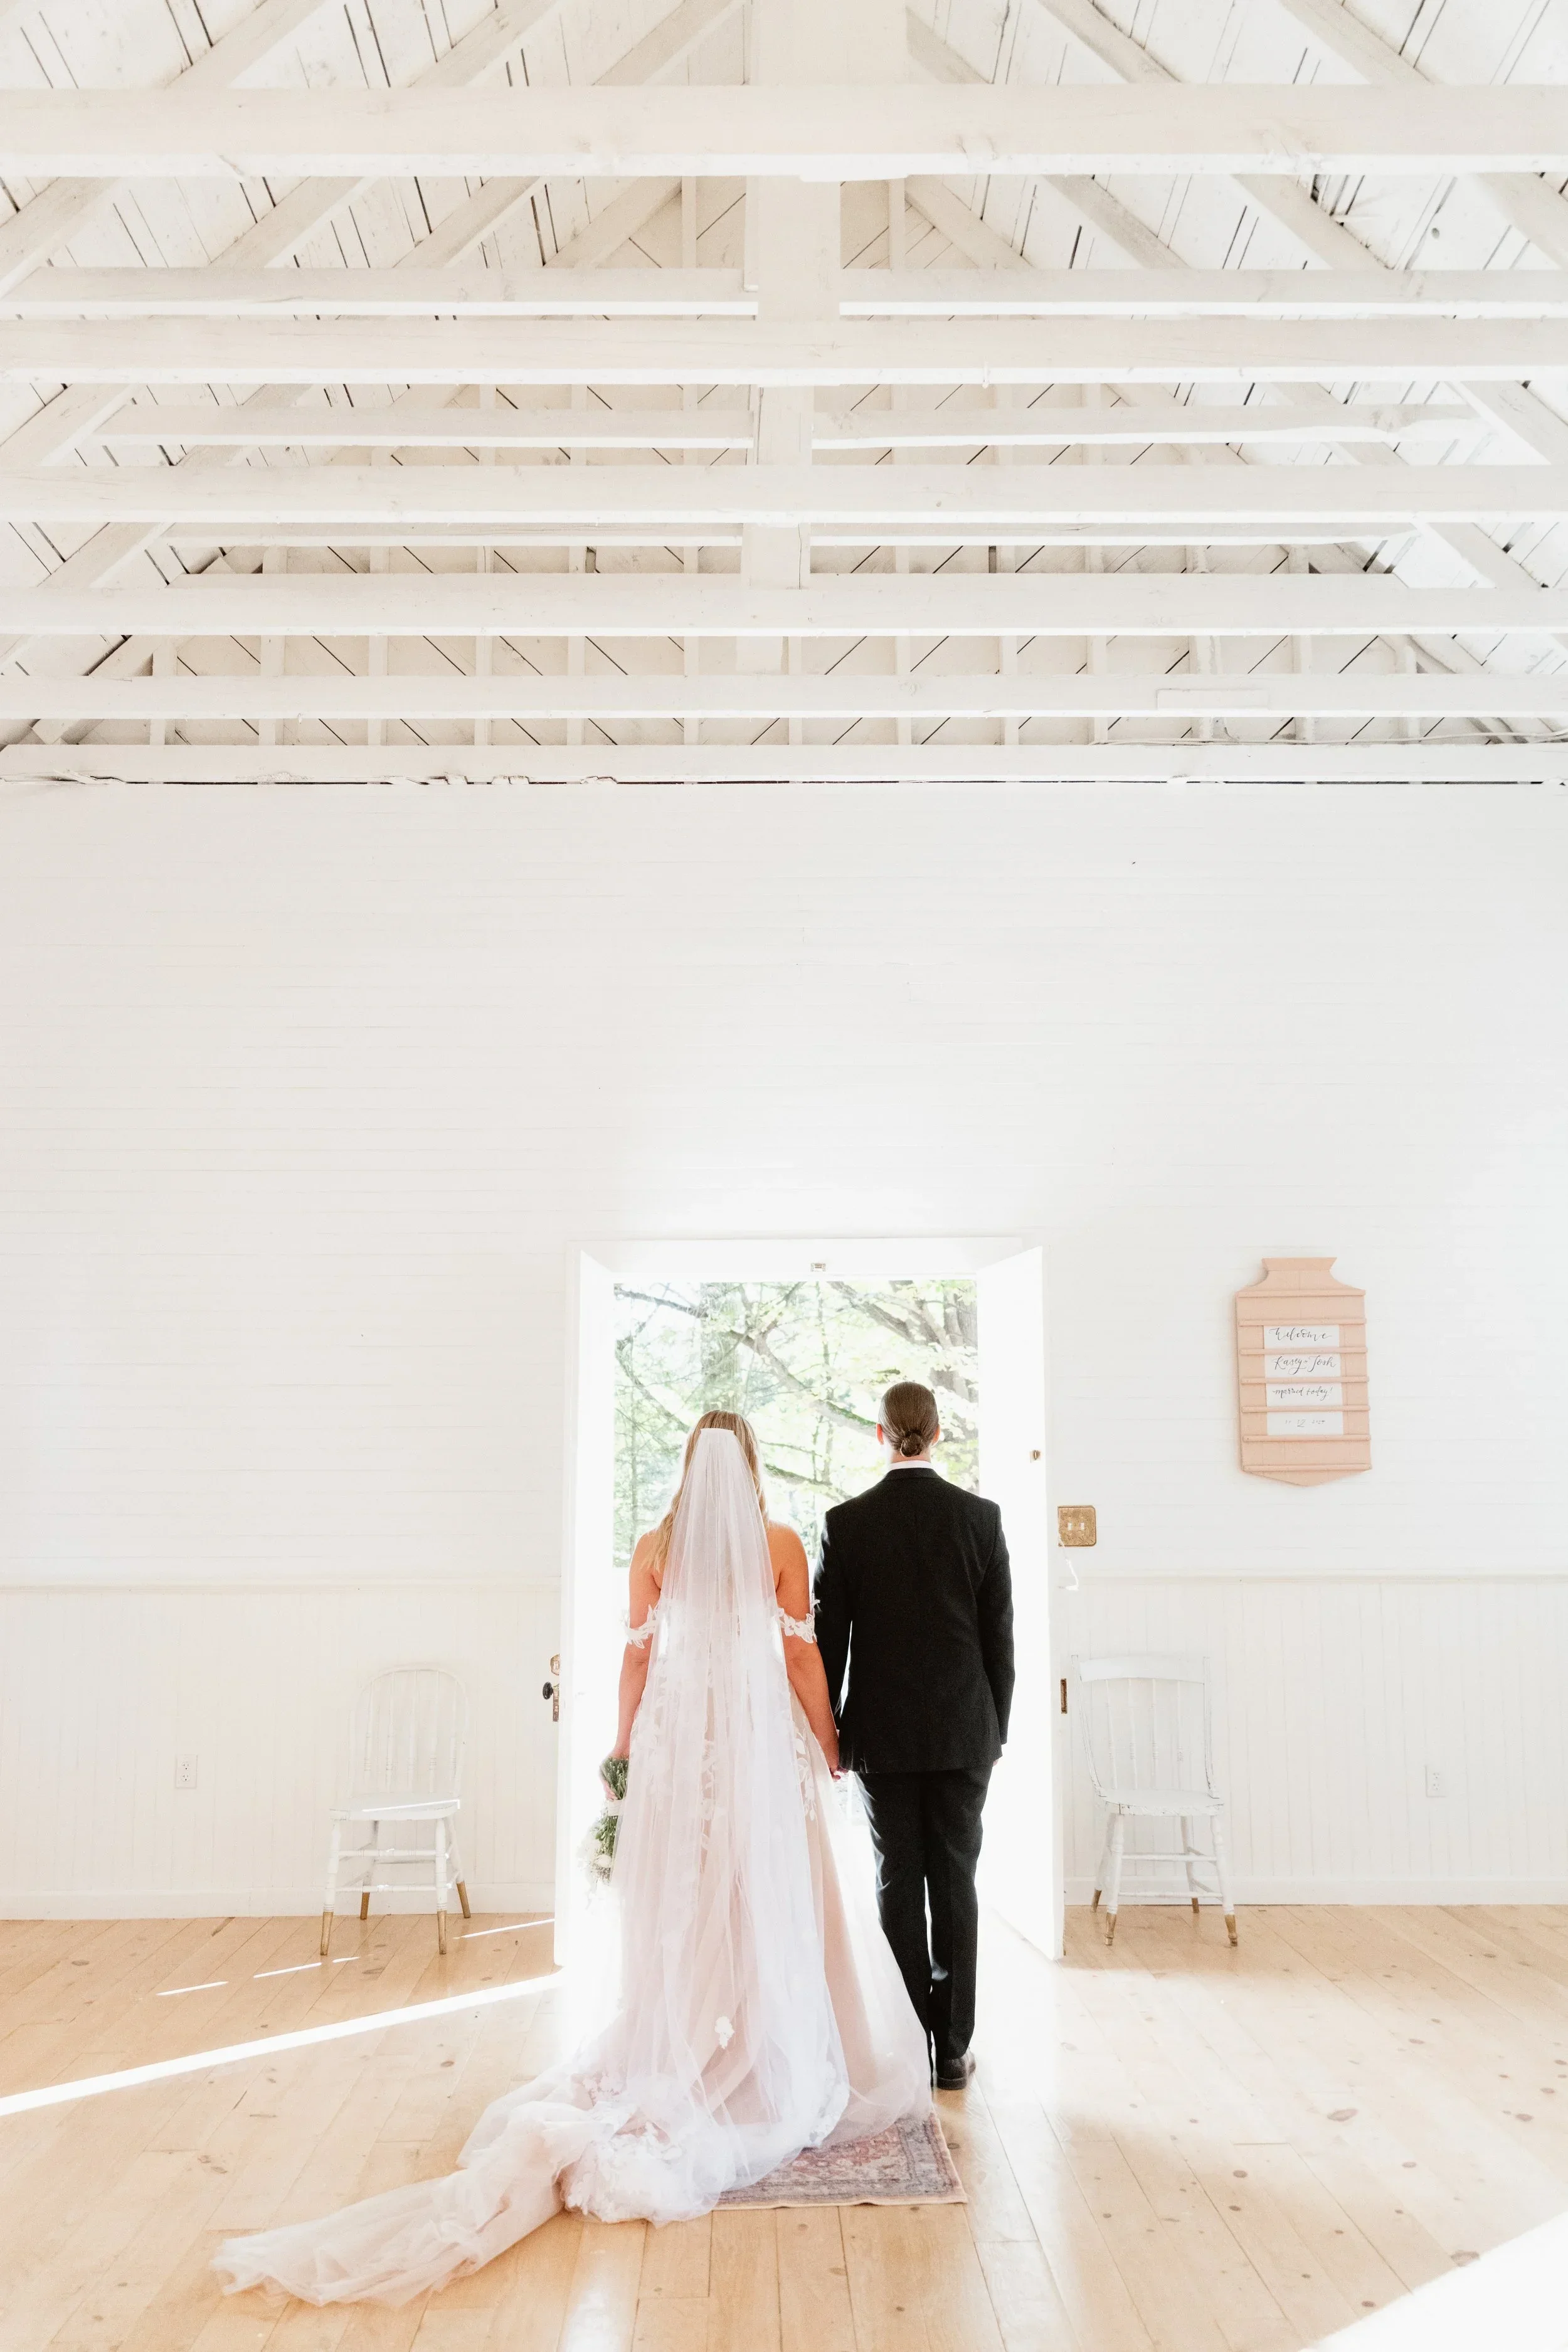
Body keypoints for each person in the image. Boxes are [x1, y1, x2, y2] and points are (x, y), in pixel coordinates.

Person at [213, 1413, 928, 2307]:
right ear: (745, 1462)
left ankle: (694, 2035)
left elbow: (636, 1662)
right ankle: (764, 2043)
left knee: (686, 1900)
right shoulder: (777, 1540)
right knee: (769, 1899)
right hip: (754, 1754)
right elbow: (799, 1655)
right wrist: (825, 1745)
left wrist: (625, 1752)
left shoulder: (655, 1545)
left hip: (680, 1747)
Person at [813, 1380, 1014, 2090]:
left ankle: (905, 2041)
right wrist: (996, 1728)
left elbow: (825, 1642)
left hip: (881, 1735)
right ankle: (953, 2051)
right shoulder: (981, 1518)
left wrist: (832, 1733)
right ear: (936, 1435)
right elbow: (1000, 1643)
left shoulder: (846, 1523)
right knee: (956, 1877)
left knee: (898, 1878)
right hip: (966, 1729)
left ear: (879, 1436)